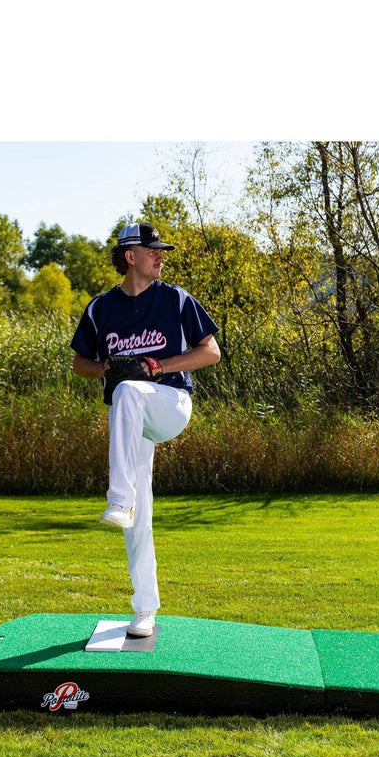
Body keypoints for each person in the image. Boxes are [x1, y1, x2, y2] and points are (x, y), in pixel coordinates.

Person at [70, 222, 220, 638]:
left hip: (170, 402)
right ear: (129, 256)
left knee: (129, 391)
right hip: (129, 418)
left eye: (161, 250)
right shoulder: (101, 308)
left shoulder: (175, 299)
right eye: (152, 249)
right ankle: (144, 609)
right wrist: (104, 366)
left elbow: (211, 352)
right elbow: (80, 363)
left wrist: (159, 365)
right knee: (138, 518)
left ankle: (118, 498)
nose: (160, 256)